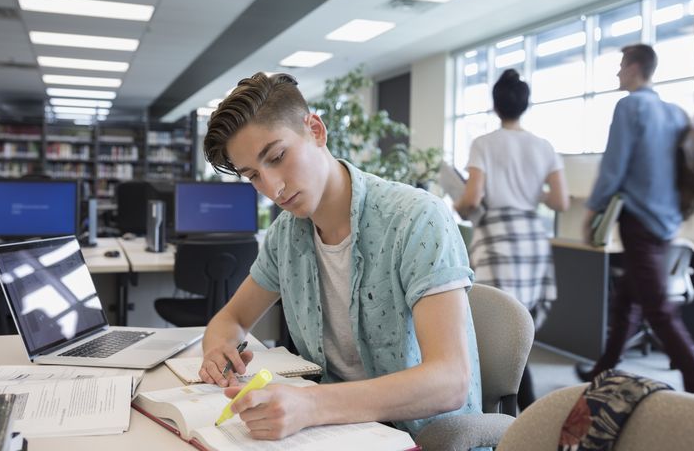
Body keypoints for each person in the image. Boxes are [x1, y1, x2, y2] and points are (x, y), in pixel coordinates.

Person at [198, 71, 482, 440]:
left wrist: (312, 405)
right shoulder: (286, 234)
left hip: (422, 437)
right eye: (253, 176)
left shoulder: (415, 218)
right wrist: (219, 351)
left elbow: (450, 380)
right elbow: (231, 318)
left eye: (278, 156)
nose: (273, 187)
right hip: (335, 432)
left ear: (315, 130)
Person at [575, 44, 694, 400]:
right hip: (668, 223)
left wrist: (593, 211)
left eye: (621, 66)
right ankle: (602, 369)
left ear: (635, 67)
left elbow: (614, 166)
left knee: (658, 310)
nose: (618, 73)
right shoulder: (676, 113)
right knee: (627, 300)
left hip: (639, 222)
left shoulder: (630, 107)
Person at [455, 68, 570, 411]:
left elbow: (472, 199)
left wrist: (458, 202)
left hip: (499, 240)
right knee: (521, 327)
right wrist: (532, 191)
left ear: (496, 105)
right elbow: (561, 201)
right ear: (525, 104)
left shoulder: (484, 144)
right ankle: (526, 407)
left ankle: (511, 407)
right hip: (532, 240)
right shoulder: (543, 146)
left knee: (496, 328)